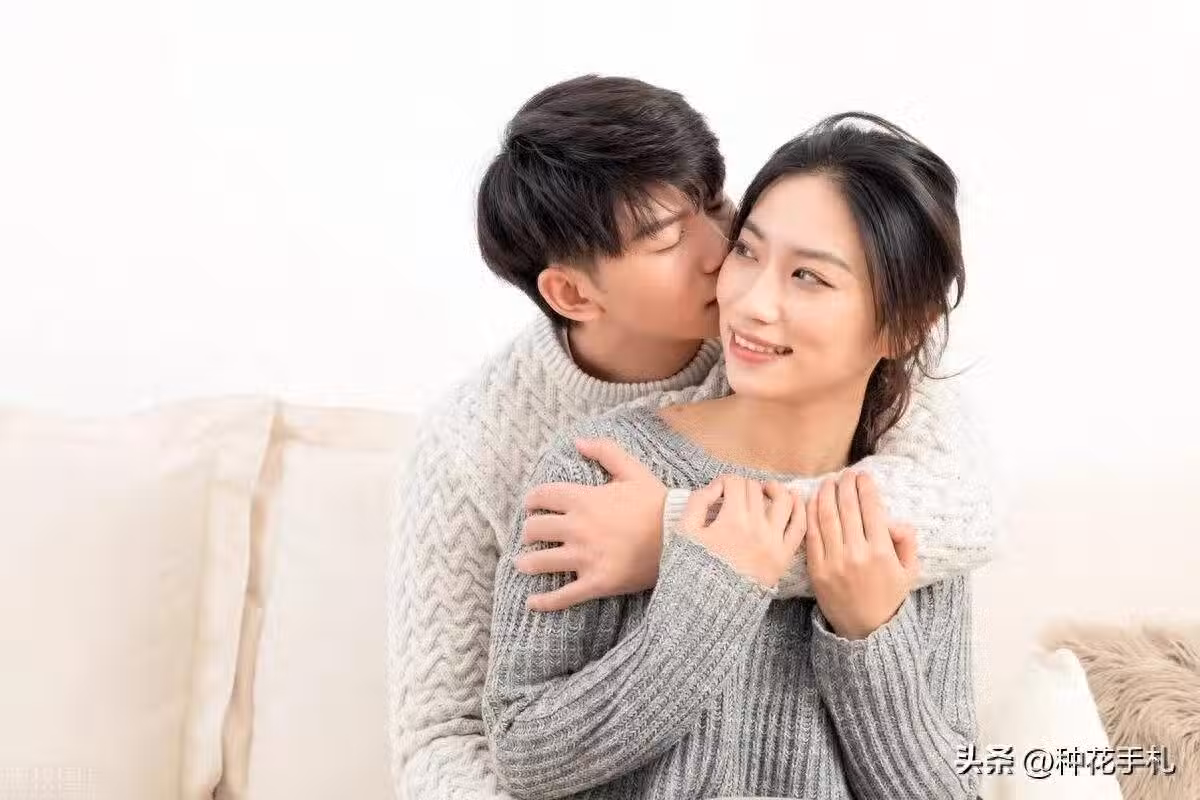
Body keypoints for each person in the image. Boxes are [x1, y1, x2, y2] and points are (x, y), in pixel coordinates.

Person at [386, 75, 994, 799]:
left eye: (717, 205)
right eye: (669, 239)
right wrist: (716, 577)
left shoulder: (876, 420)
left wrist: (674, 532)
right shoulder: (497, 448)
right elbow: (458, 739)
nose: (725, 260)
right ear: (573, 293)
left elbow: (966, 510)